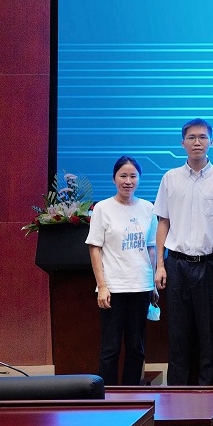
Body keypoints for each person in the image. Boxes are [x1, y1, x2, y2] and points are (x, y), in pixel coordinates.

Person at [153, 118, 213, 385]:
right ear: (182, 143)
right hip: (176, 265)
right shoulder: (170, 178)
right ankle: (177, 397)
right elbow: (163, 222)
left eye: (202, 137)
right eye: (191, 137)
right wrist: (160, 265)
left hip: (211, 265)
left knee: (210, 336)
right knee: (178, 335)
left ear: (211, 142)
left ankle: (207, 398)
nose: (197, 142)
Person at [86, 156, 158, 385]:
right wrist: (102, 286)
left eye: (133, 176)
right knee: (111, 347)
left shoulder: (148, 208)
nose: (128, 181)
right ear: (114, 179)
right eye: (123, 176)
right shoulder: (103, 208)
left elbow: (151, 248)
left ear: (139, 179)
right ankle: (107, 397)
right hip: (114, 288)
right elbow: (95, 248)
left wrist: (153, 284)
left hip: (141, 286)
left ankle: (131, 394)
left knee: (137, 347)